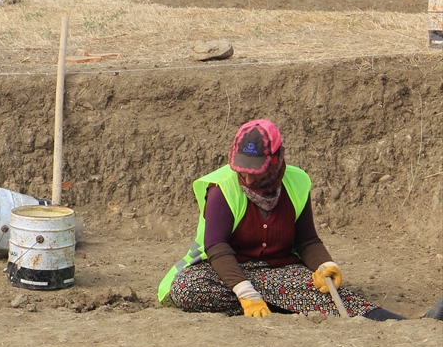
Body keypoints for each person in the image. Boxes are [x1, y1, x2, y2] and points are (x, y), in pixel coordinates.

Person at [159, 119, 404, 320]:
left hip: (280, 271)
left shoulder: (296, 182)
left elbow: (307, 240)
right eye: (243, 169)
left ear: (276, 160)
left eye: (257, 170)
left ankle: (395, 322)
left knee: (331, 293)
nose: (249, 178)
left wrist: (325, 265)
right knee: (186, 287)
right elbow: (217, 246)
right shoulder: (221, 188)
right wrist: (245, 292)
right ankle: (284, 302)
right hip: (227, 271)